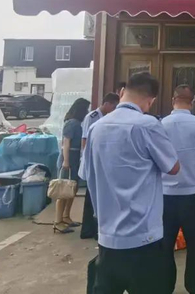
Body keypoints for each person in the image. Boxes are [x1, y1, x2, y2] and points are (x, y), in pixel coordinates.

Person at [81, 72, 180, 294]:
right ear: (151, 100)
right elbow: (173, 168)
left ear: (122, 92)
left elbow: (86, 174)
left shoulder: (96, 128)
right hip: (144, 238)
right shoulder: (148, 125)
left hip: (107, 238)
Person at [161, 85, 195, 294]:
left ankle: (163, 286)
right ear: (192, 102)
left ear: (172, 100)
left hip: (165, 195)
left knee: (165, 244)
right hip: (193, 195)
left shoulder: (160, 125)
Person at [79, 92, 121, 240]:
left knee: (100, 198)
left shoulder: (108, 118)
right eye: (114, 106)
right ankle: (88, 230)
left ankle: (97, 229)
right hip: (93, 162)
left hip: (102, 163)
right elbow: (85, 140)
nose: (115, 110)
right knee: (91, 198)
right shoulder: (92, 117)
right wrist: (89, 159)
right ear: (107, 104)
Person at [54, 98, 90, 234]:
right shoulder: (71, 123)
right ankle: (58, 221)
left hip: (75, 159)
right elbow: (66, 143)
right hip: (68, 159)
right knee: (63, 190)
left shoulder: (78, 124)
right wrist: (66, 161)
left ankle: (66, 216)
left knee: (72, 189)